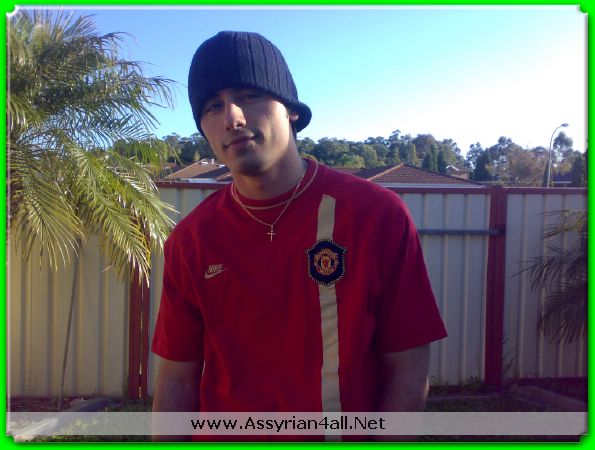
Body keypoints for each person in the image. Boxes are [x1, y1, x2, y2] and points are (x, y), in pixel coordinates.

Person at [151, 30, 447, 441]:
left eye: (248, 95)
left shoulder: (376, 216)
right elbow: (177, 380)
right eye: (212, 106)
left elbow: (409, 368)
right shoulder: (191, 240)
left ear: (289, 109)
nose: (232, 117)